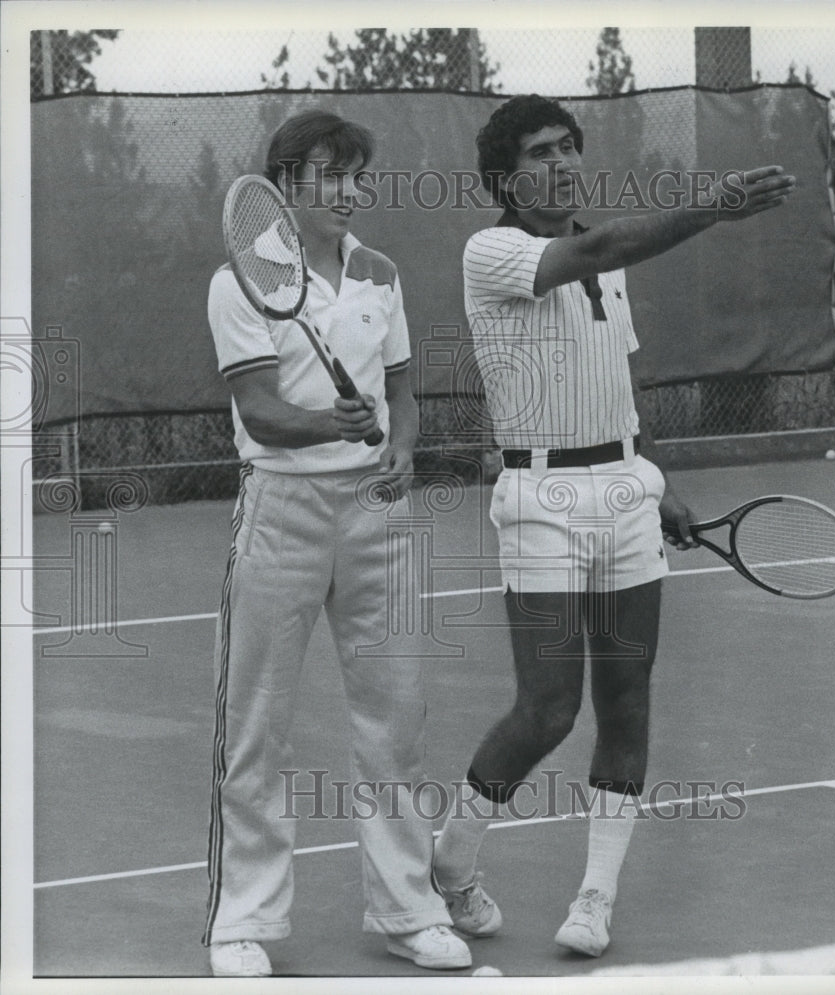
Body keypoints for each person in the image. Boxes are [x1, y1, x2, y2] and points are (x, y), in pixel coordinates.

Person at [430, 94, 796, 957]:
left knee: (626, 703)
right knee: (549, 709)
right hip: (540, 501)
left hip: (626, 491)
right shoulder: (493, 252)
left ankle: (595, 896)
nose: (561, 163)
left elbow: (618, 382)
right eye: (540, 153)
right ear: (505, 175)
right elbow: (598, 244)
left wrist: (653, 478)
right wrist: (714, 206)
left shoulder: (608, 266)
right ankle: (449, 858)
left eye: (569, 147)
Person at [202, 109, 471, 976]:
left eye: (359, 176)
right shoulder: (238, 282)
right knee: (258, 721)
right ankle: (242, 921)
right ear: (287, 185)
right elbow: (260, 411)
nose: (351, 191)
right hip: (280, 510)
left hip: (374, 513)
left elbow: (401, 387)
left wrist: (402, 443)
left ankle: (408, 909)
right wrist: (326, 419)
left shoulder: (381, 273)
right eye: (332, 175)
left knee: (395, 716)